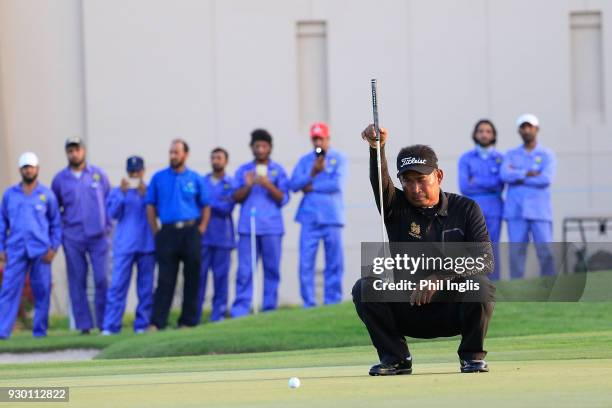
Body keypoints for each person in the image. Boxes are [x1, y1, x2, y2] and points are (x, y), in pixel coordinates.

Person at [352, 125, 495, 375]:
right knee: (364, 288)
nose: (415, 189)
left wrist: (440, 277)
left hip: (452, 307)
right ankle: (396, 358)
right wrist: (377, 148)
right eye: (407, 181)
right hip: (409, 306)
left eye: (422, 180)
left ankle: (472, 357)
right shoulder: (395, 207)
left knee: (480, 285)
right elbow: (379, 180)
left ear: (438, 176)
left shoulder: (467, 209)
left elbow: (485, 259)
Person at [146, 139, 211, 330]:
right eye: (171, 152)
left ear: (185, 154)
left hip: (191, 231)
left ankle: (188, 321)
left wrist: (202, 228)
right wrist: (155, 231)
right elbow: (150, 205)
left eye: (177, 152)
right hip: (167, 232)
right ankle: (158, 322)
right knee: (165, 279)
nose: (173, 156)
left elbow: (206, 205)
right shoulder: (158, 178)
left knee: (192, 277)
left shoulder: (195, 178)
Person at [52, 138, 111, 334]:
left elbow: (109, 200)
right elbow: (54, 210)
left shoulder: (97, 175)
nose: (74, 154)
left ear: (83, 151)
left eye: (76, 150)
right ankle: (84, 325)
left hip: (98, 236)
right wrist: (61, 233)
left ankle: (104, 324)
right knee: (77, 281)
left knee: (101, 279)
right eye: (70, 150)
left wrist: (107, 226)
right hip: (73, 237)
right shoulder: (60, 180)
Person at [0, 153, 61, 339]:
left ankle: (40, 332)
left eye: (32, 166)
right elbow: (2, 223)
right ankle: (3, 332)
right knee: (9, 289)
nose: (29, 170)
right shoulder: (10, 195)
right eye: (25, 167)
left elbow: (56, 224)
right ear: (20, 170)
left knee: (42, 290)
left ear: (37, 169)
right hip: (16, 250)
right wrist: (1, 248)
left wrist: (54, 248)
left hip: (41, 251)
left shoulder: (47, 195)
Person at [231, 129, 289, 318]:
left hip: (272, 227)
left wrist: (267, 184)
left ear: (270, 148)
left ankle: (269, 308)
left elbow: (283, 198)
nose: (261, 149)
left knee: (272, 269)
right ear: (252, 147)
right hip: (249, 227)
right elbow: (235, 197)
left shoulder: (278, 170)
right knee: (245, 270)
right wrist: (248, 185)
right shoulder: (243, 170)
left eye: (264, 146)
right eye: (257, 146)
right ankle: (240, 309)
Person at [289, 122, 347, 307]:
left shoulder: (339, 158)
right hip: (309, 217)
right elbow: (293, 185)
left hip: (332, 217)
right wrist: (312, 172)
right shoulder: (305, 160)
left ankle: (333, 301)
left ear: (328, 138)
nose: (318, 142)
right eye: (315, 138)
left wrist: (311, 186)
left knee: (334, 261)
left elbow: (337, 184)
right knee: (305, 262)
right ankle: (309, 303)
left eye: (321, 138)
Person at [102, 156, 155, 335]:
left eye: (137, 171)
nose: (134, 174)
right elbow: (111, 214)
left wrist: (146, 195)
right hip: (124, 246)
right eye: (131, 171)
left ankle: (142, 324)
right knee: (117, 286)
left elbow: (159, 212)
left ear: (143, 171)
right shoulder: (117, 192)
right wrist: (123, 195)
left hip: (147, 245)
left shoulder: (149, 190)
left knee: (145, 288)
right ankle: (111, 326)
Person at [501, 114, 556, 279]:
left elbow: (546, 178)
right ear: (519, 130)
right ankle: (517, 291)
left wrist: (516, 174)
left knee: (545, 252)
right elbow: (504, 175)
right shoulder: (511, 154)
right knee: (516, 253)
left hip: (540, 212)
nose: (526, 130)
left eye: (529, 126)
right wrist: (527, 173)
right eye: (523, 127)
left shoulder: (547, 154)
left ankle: (549, 286)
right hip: (516, 211)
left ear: (536, 129)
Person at [458, 120, 504, 280]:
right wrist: (491, 182)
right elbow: (465, 186)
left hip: (495, 208)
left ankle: (494, 283)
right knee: (472, 246)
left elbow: (500, 184)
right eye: (481, 131)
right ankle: (474, 282)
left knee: (493, 247)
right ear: (475, 134)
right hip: (472, 208)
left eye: (488, 131)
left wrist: (476, 180)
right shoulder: (466, 158)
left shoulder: (501, 159)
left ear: (493, 135)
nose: (484, 134)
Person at [196, 148, 235, 323]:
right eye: (213, 158)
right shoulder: (202, 182)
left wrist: (208, 204)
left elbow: (227, 207)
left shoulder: (231, 183)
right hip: (204, 238)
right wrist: (212, 204)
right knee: (199, 278)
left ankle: (218, 315)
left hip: (223, 239)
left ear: (226, 161)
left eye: (219, 158)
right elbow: (197, 205)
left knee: (221, 278)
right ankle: (194, 317)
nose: (215, 161)